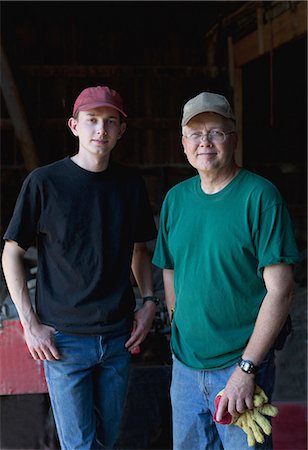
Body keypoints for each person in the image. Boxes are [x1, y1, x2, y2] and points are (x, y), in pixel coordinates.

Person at [2, 85, 159, 450]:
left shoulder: (129, 184)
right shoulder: (44, 182)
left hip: (118, 337)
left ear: (122, 130)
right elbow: (11, 253)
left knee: (107, 440)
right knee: (81, 446)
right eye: (92, 121)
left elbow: (139, 249)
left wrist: (149, 301)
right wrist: (30, 325)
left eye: (110, 122)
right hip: (64, 341)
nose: (100, 130)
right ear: (74, 126)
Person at [152, 91, 300, 450]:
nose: (205, 142)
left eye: (215, 132)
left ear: (232, 138)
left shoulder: (260, 197)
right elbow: (169, 268)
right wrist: (178, 324)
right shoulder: (176, 199)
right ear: (183, 143)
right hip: (185, 369)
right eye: (196, 134)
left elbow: (281, 290)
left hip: (239, 369)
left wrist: (247, 369)